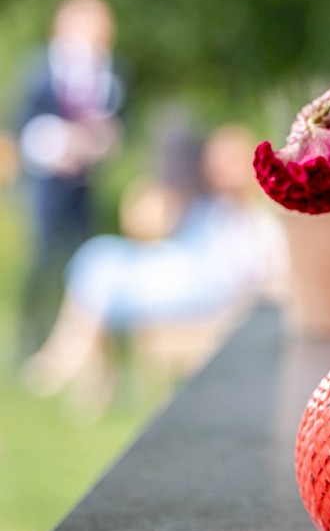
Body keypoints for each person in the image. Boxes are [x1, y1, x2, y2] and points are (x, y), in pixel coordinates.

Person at [23, 123, 287, 404]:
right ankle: (79, 361)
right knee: (98, 257)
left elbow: (259, 272)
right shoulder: (196, 202)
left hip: (203, 289)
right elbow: (145, 223)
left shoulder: (252, 220)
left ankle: (71, 359)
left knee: (100, 267)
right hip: (183, 276)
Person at [15, 0, 125, 356]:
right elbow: (22, 126)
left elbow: (117, 122)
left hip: (84, 181)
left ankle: (79, 343)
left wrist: (98, 141)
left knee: (83, 260)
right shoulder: (41, 70)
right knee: (43, 258)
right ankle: (32, 337)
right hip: (46, 180)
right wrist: (57, 144)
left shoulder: (110, 72)